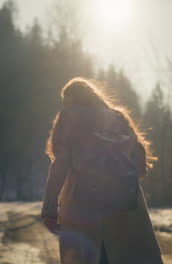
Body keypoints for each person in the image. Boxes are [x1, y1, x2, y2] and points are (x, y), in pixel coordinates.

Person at [41, 77, 164, 264]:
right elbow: (140, 168)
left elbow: (61, 163)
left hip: (83, 211)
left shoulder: (69, 117)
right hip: (126, 208)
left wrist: (50, 207)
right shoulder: (118, 117)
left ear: (70, 100)